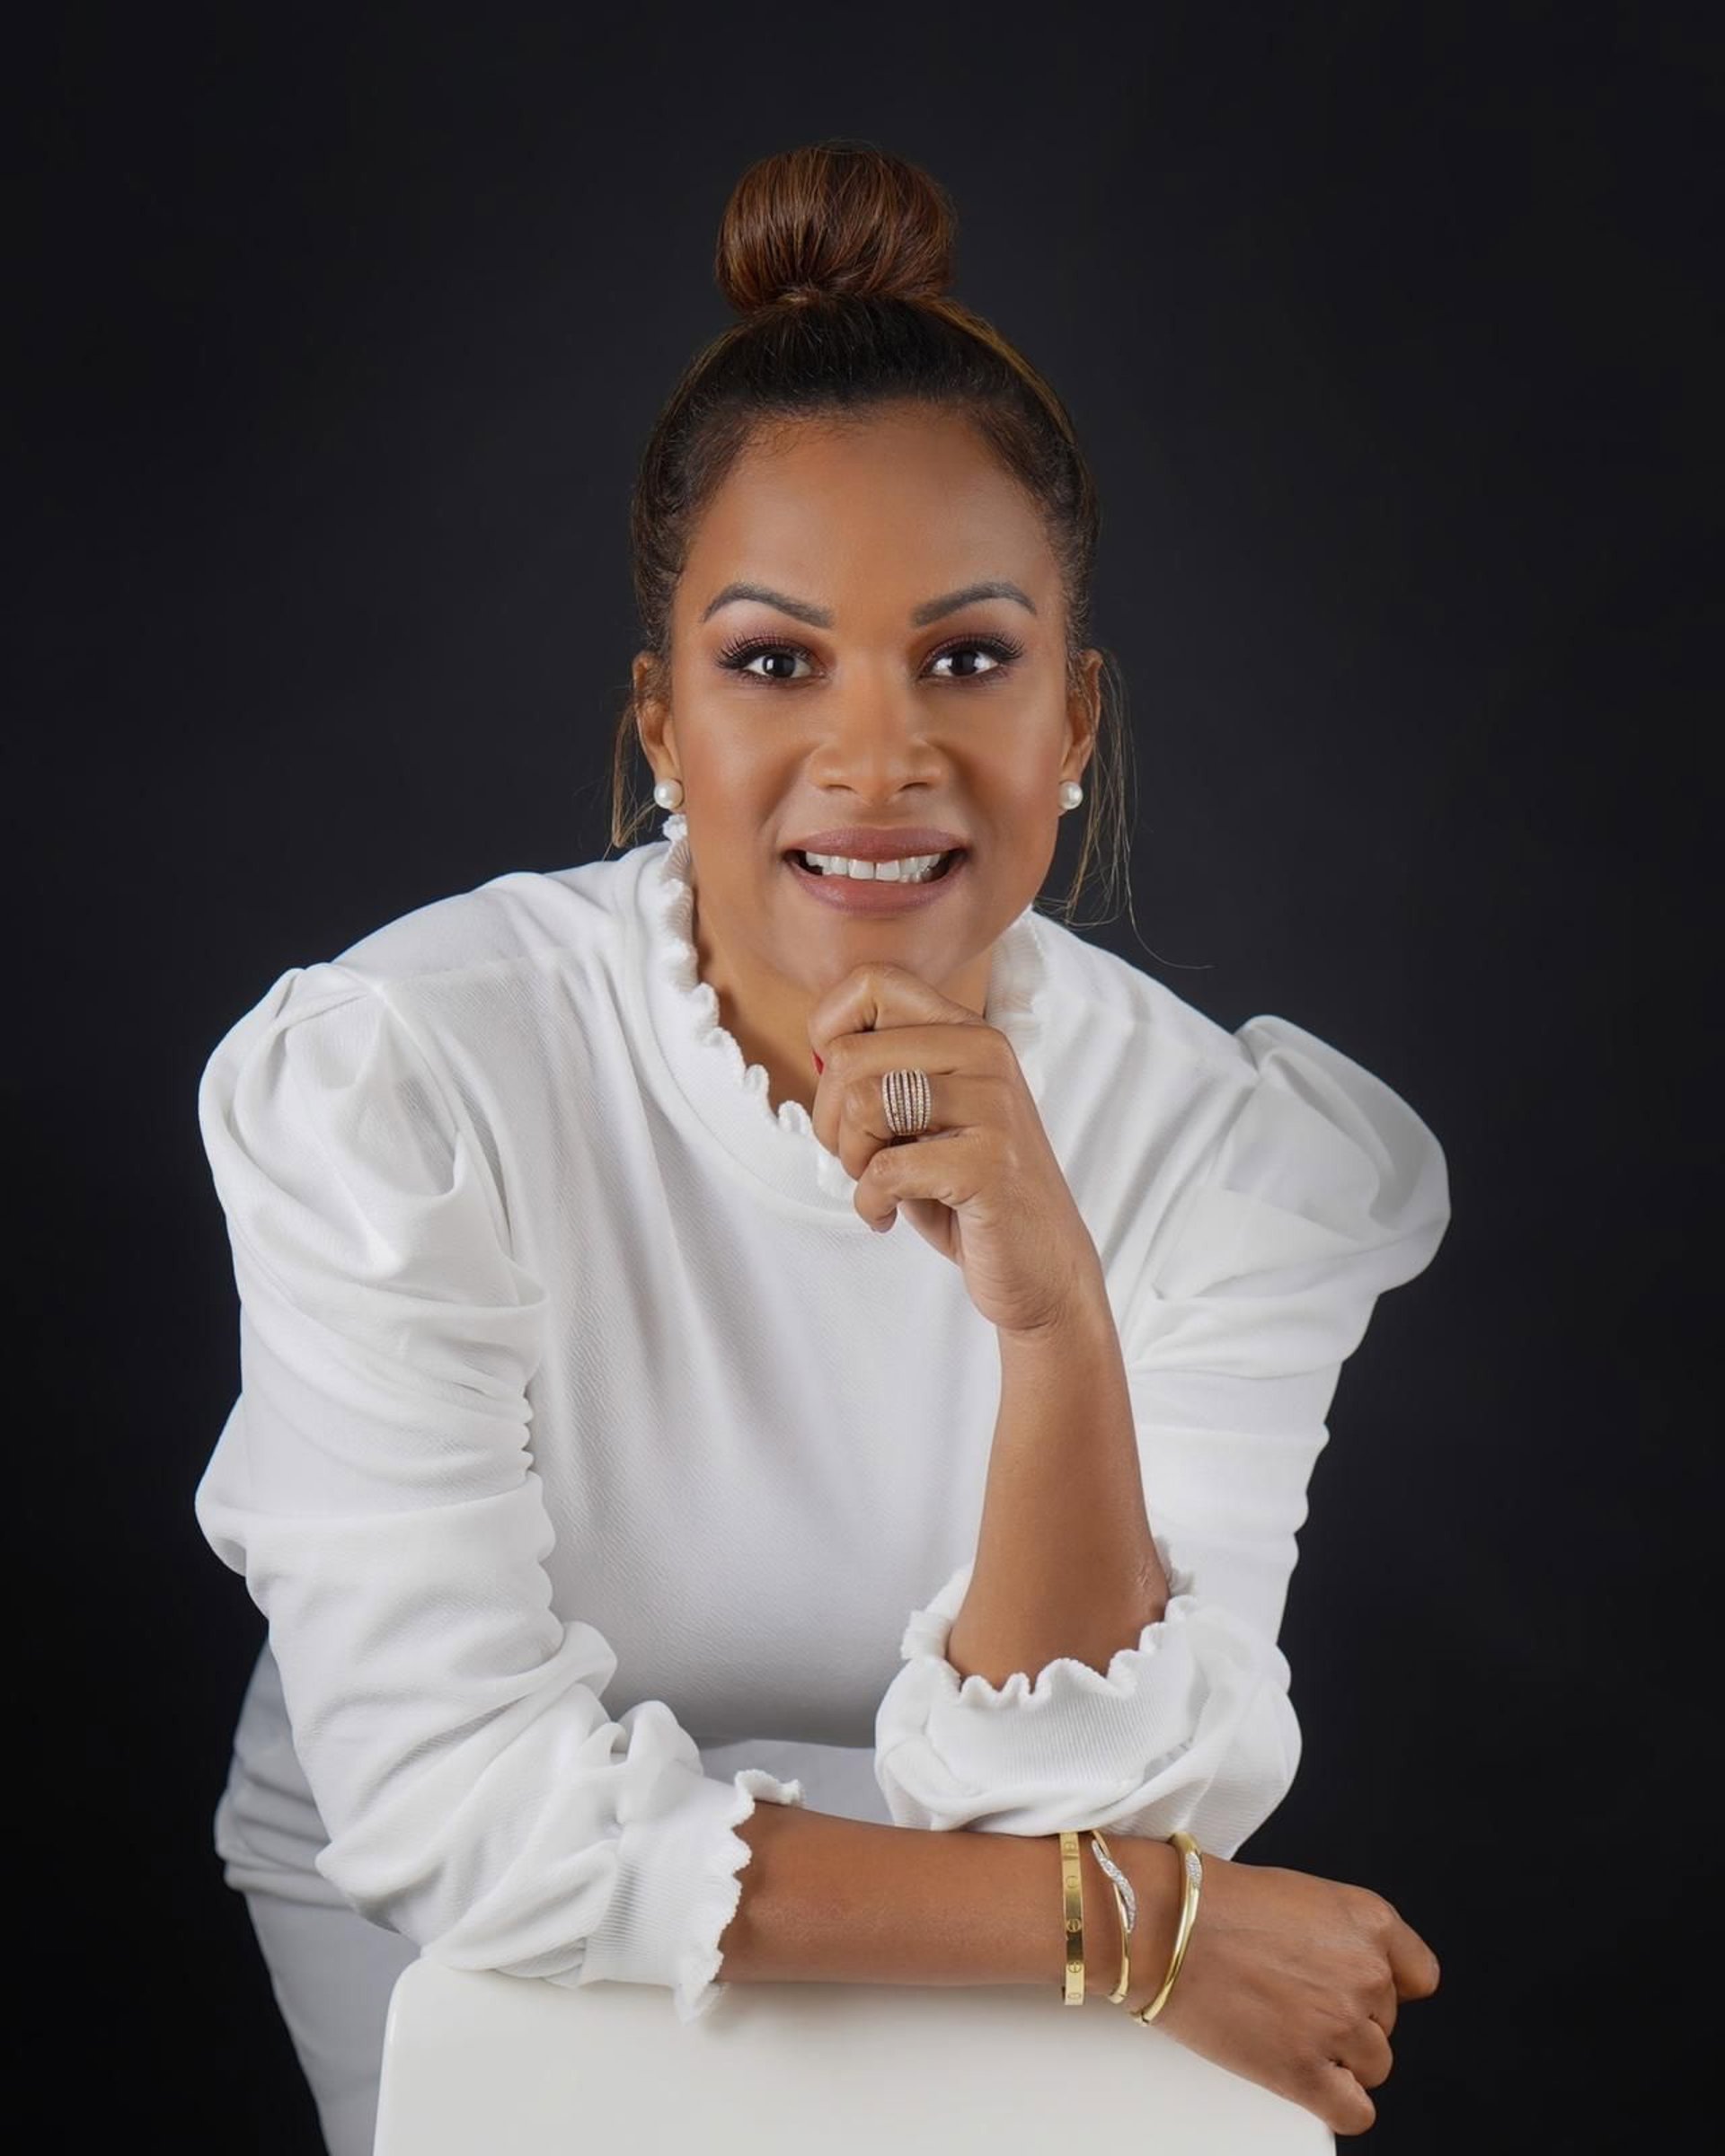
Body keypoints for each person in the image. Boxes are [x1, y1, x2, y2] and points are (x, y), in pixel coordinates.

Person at [193, 137, 1450, 2155]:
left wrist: (1054, 1326)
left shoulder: (1227, 1154)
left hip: (987, 1894)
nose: (878, 759)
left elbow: (1106, 1799)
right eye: (774, 663)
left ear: (1075, 724)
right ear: (661, 726)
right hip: (475, 1932)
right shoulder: (411, 1074)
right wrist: (1132, 1932)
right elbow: (456, 1804)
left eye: (971, 659)